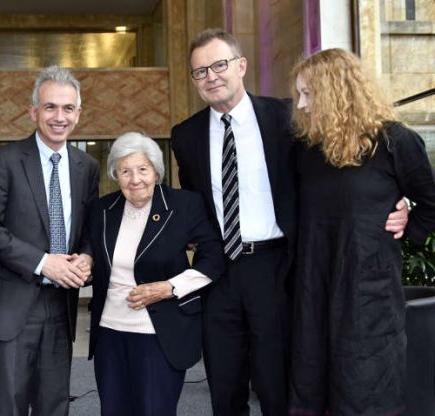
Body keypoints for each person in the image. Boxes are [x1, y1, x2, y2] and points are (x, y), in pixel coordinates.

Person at [170, 29, 409, 416]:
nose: (211, 76)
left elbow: (341, 167)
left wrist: (398, 200)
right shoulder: (185, 135)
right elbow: (194, 199)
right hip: (218, 271)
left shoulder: (286, 117)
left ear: (241, 66)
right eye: (200, 71)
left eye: (219, 65)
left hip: (276, 267)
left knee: (277, 382)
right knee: (224, 381)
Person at [288, 48, 435, 416]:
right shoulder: (307, 150)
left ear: (337, 91)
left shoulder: (395, 142)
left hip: (368, 294)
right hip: (315, 288)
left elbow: (430, 202)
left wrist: (406, 224)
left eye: (308, 93)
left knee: (366, 391)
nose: (302, 105)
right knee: (311, 385)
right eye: (299, 95)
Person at [0, 65, 100, 416]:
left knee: (55, 406)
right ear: (33, 111)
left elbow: (90, 231)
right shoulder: (3, 159)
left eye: (68, 108)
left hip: (62, 307)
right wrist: (42, 261)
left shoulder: (87, 166)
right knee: (10, 406)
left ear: (78, 114)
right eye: (50, 107)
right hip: (14, 303)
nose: (59, 116)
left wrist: (87, 258)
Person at [87, 132, 224, 415]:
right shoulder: (102, 209)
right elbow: (92, 256)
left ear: (156, 171)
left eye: (142, 169)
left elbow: (213, 257)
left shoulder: (184, 205)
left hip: (159, 332)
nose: (135, 179)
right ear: (115, 174)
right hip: (110, 331)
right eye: (125, 171)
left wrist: (169, 287)